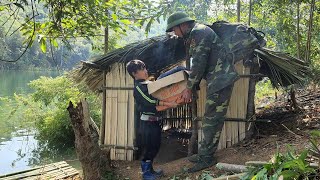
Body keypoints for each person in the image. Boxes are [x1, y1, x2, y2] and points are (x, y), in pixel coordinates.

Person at [165, 12, 239, 172]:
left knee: (212, 120)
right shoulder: (197, 32)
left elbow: (199, 63)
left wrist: (189, 88)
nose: (175, 34)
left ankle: (206, 158)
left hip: (221, 79)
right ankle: (204, 154)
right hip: (218, 79)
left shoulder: (198, 32)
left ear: (182, 25)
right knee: (210, 118)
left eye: (174, 30)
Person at [126, 59, 177, 179]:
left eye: (145, 68)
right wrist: (168, 103)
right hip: (147, 124)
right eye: (142, 69)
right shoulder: (138, 87)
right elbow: (149, 101)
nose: (145, 71)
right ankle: (146, 174)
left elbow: (157, 103)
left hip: (154, 122)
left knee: (155, 146)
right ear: (134, 73)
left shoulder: (148, 85)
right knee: (149, 148)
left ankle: (151, 170)